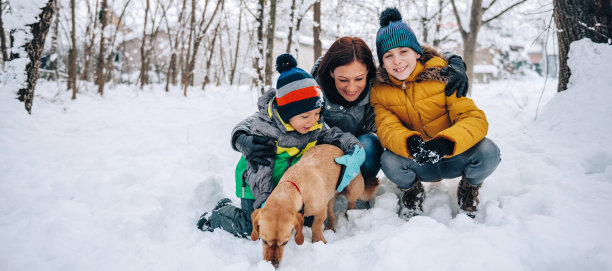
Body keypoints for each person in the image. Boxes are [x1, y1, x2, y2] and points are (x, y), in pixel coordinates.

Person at [230, 37, 470, 195]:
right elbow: (266, 116)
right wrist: (242, 138)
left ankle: (358, 191)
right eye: (343, 79)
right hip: (319, 154)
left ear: (369, 72)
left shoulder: (380, 86)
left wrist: (455, 61)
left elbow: (412, 55)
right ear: (330, 72)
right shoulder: (312, 88)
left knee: (369, 142)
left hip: (360, 153)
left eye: (359, 78)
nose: (352, 88)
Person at [197, 54, 366, 237]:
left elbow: (335, 135)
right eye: (305, 116)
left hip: (286, 186)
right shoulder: (266, 132)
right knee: (254, 226)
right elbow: (260, 172)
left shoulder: (312, 124)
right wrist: (265, 202)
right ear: (287, 114)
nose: (313, 121)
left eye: (317, 113)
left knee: (306, 220)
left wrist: (354, 148)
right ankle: (217, 215)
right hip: (256, 184)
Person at [370, 7, 501, 218]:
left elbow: (473, 118)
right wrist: (409, 143)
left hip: (453, 154)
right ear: (382, 63)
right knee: (389, 160)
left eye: (404, 51)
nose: (397, 61)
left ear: (417, 52)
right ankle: (412, 191)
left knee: (488, 151)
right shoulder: (379, 90)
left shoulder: (443, 75)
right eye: (388, 55)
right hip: (418, 160)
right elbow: (387, 127)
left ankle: (468, 188)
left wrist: (446, 142)